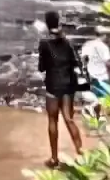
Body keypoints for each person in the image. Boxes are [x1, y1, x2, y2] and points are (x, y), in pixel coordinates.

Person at [36, 10, 86, 168]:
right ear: (58, 22)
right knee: (69, 118)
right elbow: (75, 62)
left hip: (52, 85)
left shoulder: (44, 43)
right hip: (68, 85)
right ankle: (82, 154)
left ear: (47, 23)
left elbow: (42, 67)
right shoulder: (67, 41)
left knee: (53, 120)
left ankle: (54, 158)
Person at [80, 29, 110, 100]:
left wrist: (85, 73)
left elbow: (84, 60)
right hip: (102, 76)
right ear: (104, 36)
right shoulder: (104, 47)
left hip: (91, 76)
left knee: (95, 97)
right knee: (106, 98)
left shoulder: (87, 44)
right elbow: (107, 63)